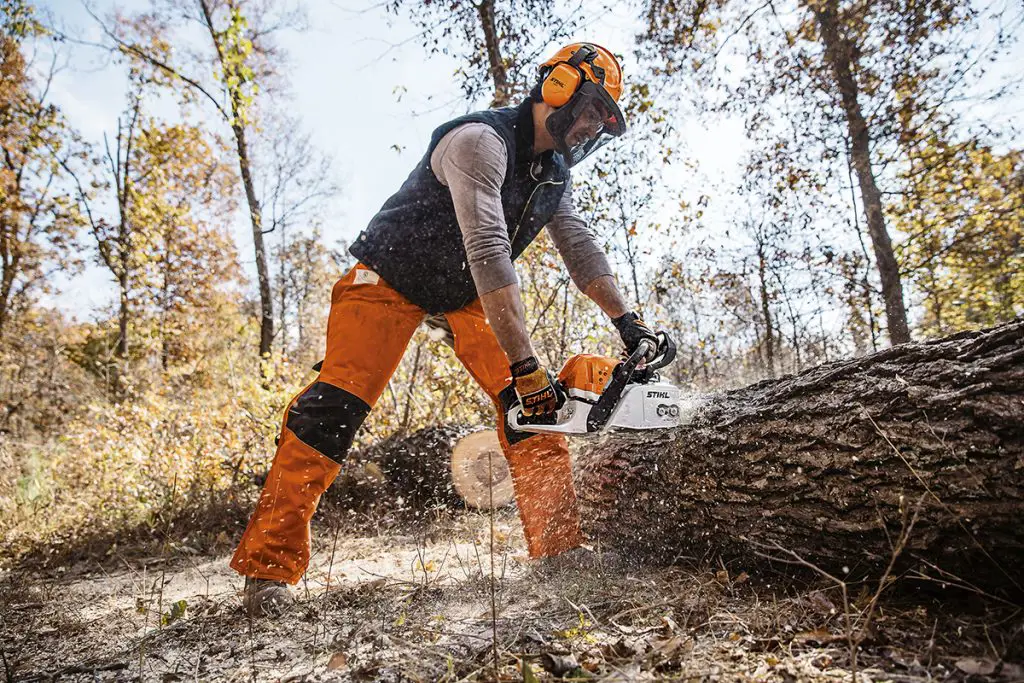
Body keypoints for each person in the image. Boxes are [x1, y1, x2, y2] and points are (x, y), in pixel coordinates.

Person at [231, 42, 662, 615]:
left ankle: (558, 550)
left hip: (462, 294)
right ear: (557, 88)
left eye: (601, 122)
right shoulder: (479, 142)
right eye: (589, 111)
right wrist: (526, 362)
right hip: (390, 275)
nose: (589, 127)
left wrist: (628, 324)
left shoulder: (552, 176)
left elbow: (580, 249)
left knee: (533, 409)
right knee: (332, 408)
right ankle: (268, 571)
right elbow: (488, 249)